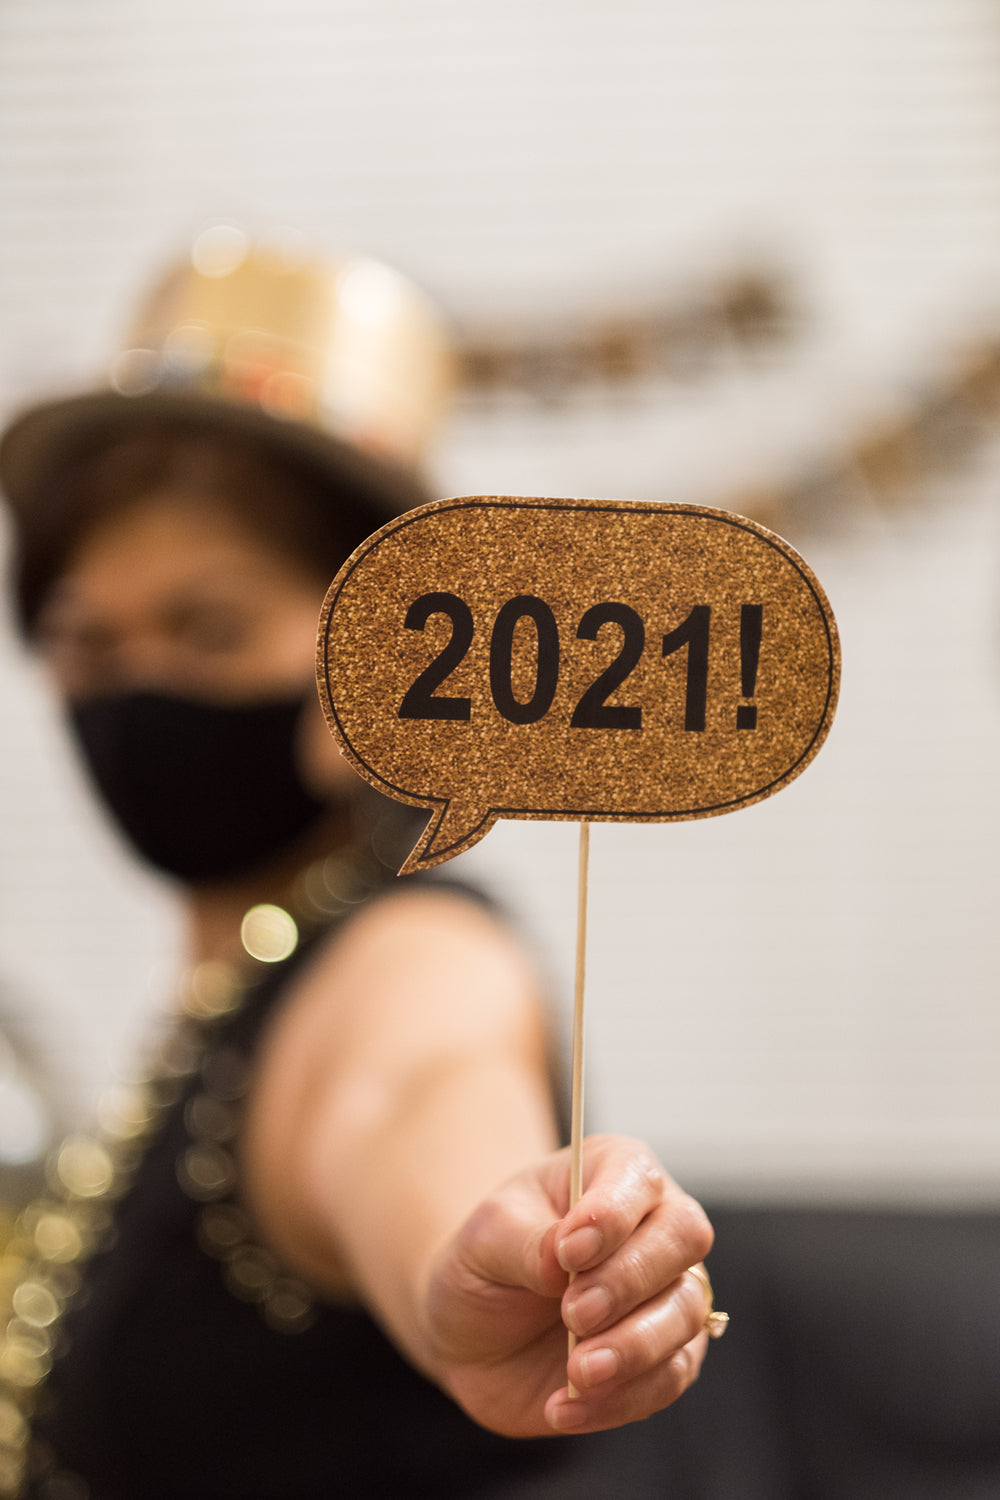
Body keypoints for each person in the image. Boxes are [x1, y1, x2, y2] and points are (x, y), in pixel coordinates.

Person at [0, 232, 717, 1499]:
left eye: (209, 628)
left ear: (380, 668)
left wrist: (487, 1254)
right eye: (87, 641)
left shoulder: (406, 958)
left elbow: (414, 1098)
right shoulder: (242, 980)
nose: (135, 689)